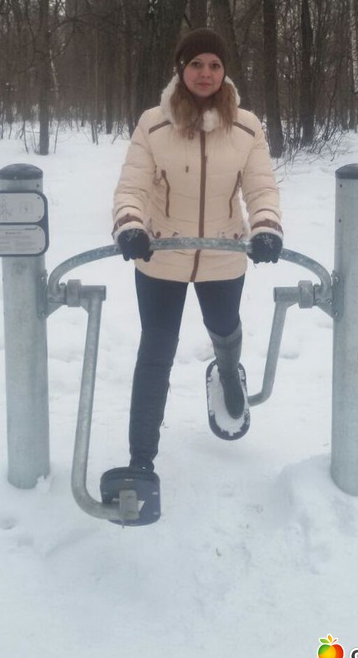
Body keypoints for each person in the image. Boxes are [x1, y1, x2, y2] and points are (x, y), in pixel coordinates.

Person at [112, 28, 283, 473]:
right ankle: (141, 462)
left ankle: (227, 371)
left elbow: (261, 188)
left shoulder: (246, 127)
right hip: (161, 255)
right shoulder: (153, 124)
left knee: (224, 327)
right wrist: (130, 224)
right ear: (181, 69)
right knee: (156, 351)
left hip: (223, 253)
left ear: (224, 72)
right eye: (196, 64)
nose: (205, 73)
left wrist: (266, 226)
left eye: (214, 65)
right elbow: (132, 187)